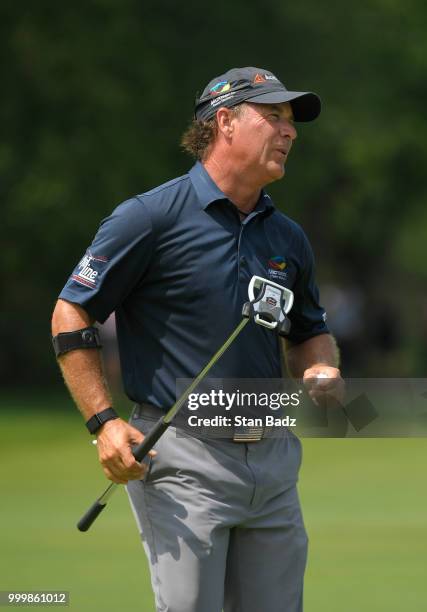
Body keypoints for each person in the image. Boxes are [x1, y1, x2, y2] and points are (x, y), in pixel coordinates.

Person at [52, 66, 343, 612]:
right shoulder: (148, 218)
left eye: (292, 122)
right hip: (182, 457)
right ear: (226, 122)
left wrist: (320, 367)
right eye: (274, 117)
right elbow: (71, 311)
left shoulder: (288, 237)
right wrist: (104, 422)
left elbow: (310, 331)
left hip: (274, 457)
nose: (291, 132)